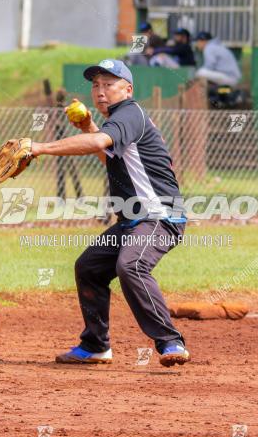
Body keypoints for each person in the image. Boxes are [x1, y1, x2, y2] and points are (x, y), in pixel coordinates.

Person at [28, 59, 191, 367]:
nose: (100, 91)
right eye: (95, 85)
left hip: (160, 217)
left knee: (131, 265)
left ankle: (170, 341)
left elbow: (98, 142)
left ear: (127, 89)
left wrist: (40, 147)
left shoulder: (129, 113)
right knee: (89, 267)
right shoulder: (119, 120)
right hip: (134, 220)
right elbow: (107, 155)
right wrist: (88, 127)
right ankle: (95, 345)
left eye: (109, 84)